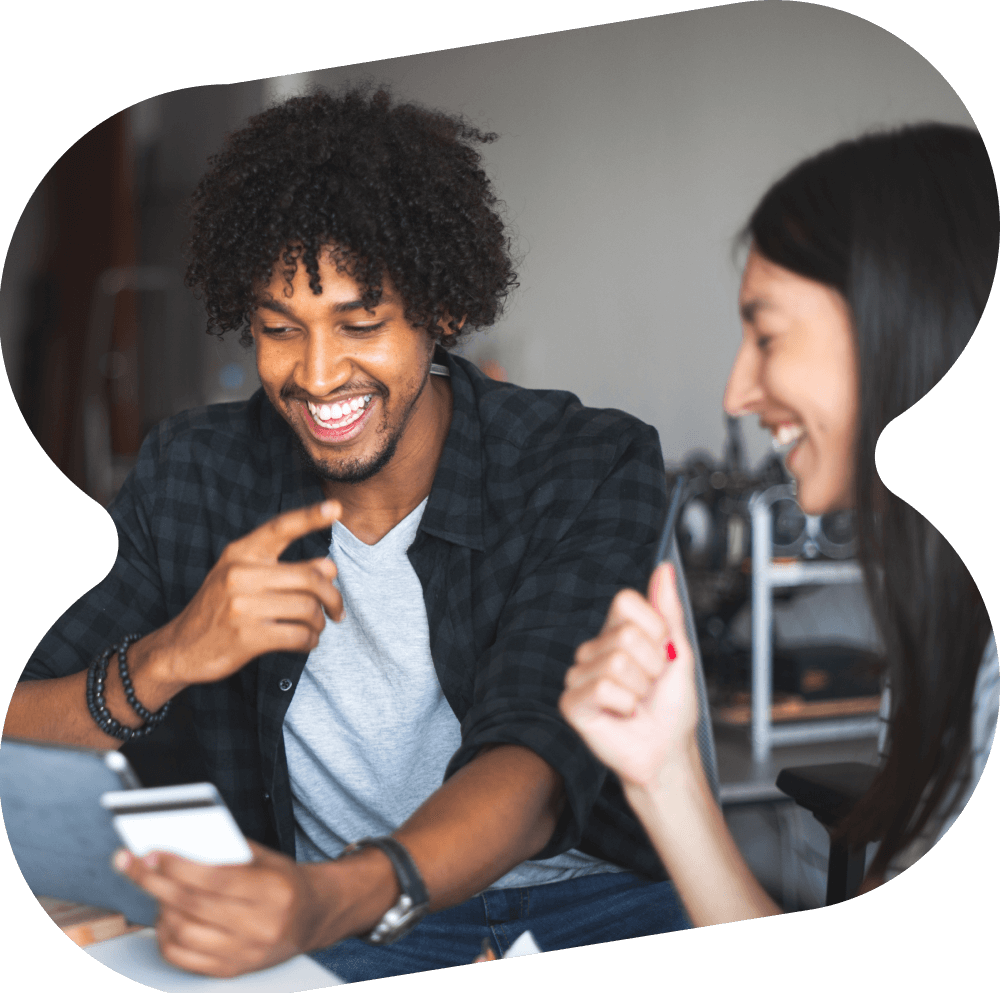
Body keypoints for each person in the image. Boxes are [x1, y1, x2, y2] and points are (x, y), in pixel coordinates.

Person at [6, 85, 696, 982]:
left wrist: (327, 899)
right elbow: (22, 718)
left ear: (442, 308)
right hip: (336, 919)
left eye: (360, 323)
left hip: (580, 899)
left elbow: (534, 760)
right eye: (278, 329)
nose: (318, 374)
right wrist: (171, 656)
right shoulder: (195, 473)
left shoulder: (580, 460)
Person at [560, 122, 998, 925]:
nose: (736, 393)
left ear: (906, 323)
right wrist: (663, 776)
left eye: (766, 335)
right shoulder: (947, 637)